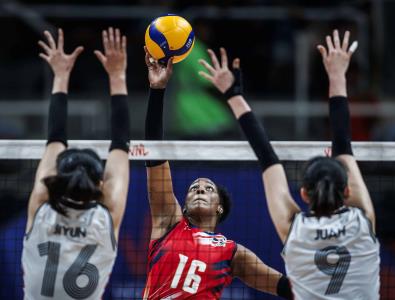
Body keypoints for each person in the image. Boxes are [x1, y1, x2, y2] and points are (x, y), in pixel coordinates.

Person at [199, 30, 380, 299]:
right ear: (347, 192)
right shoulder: (362, 222)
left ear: (304, 193)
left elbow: (266, 157)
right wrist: (337, 75)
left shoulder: (295, 230)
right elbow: (343, 143)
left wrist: (232, 94)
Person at [141, 47, 292, 300]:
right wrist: (157, 91)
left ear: (219, 208)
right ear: (184, 207)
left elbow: (284, 287)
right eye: (193, 189)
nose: (199, 189)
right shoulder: (169, 223)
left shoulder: (233, 253)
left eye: (208, 189)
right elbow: (154, 155)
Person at [22, 27, 130, 299]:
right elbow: (121, 145)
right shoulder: (105, 219)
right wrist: (117, 75)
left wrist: (60, 75)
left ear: (56, 177)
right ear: (100, 184)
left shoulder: (42, 212)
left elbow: (55, 139)